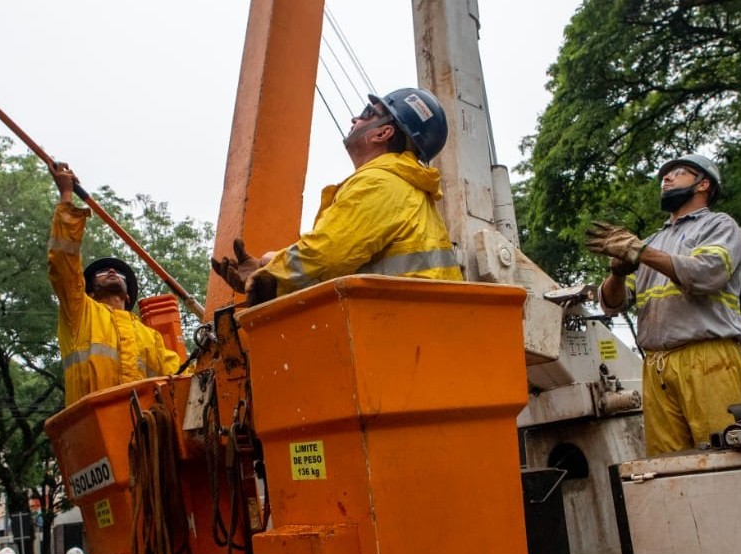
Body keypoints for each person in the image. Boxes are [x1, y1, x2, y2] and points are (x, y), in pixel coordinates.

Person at [212, 87, 463, 305]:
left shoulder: (380, 183)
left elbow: (328, 254)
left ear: (382, 133)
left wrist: (268, 280)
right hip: (412, 325)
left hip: (399, 329)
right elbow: (340, 253)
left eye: (367, 113)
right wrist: (268, 267)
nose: (355, 117)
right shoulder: (401, 186)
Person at [585, 154, 741, 456]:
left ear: (704, 184)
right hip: (657, 365)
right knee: (667, 464)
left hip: (709, 358)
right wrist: (617, 273)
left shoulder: (719, 225)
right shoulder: (652, 242)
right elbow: (612, 304)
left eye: (679, 173)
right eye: (664, 175)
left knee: (723, 454)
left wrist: (640, 251)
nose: (667, 178)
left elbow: (706, 273)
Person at [48, 163, 181, 405]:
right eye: (101, 271)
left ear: (128, 296)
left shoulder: (151, 338)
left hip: (145, 436)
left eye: (119, 273)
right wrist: (66, 195)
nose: (111, 271)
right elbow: (63, 264)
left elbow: (181, 379)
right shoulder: (80, 312)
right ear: (89, 290)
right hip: (94, 431)